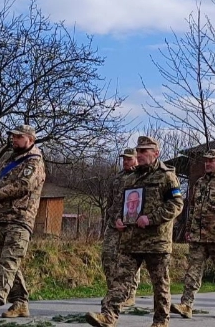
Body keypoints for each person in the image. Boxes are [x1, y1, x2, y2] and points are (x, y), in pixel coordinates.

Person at [86, 136, 184, 327]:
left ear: (156, 153)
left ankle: (161, 321)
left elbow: (176, 204)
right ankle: (108, 316)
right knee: (120, 279)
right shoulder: (130, 178)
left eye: (144, 151)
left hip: (156, 241)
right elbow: (118, 205)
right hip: (131, 240)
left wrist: (152, 218)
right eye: (138, 151)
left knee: (160, 283)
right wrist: (118, 219)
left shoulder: (167, 176)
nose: (139, 155)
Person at [0, 125, 46, 320]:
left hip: (20, 219)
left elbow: (24, 185)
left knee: (8, 262)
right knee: (7, 264)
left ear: (30, 139)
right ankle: (20, 303)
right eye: (13, 137)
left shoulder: (34, 162)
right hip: (2, 219)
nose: (14, 140)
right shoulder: (13, 161)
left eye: (18, 137)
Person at [171, 149, 215, 319]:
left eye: (212, 160)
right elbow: (193, 208)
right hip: (199, 236)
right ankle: (186, 305)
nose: (208, 163)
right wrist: (188, 229)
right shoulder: (200, 182)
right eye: (206, 161)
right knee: (192, 272)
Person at [102, 148, 139, 308]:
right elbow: (110, 203)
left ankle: (129, 294)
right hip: (114, 224)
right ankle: (113, 292)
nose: (125, 161)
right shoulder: (117, 178)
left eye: (129, 159)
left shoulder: (141, 177)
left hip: (132, 225)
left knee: (130, 260)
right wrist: (115, 218)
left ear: (137, 159)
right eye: (124, 159)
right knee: (108, 257)